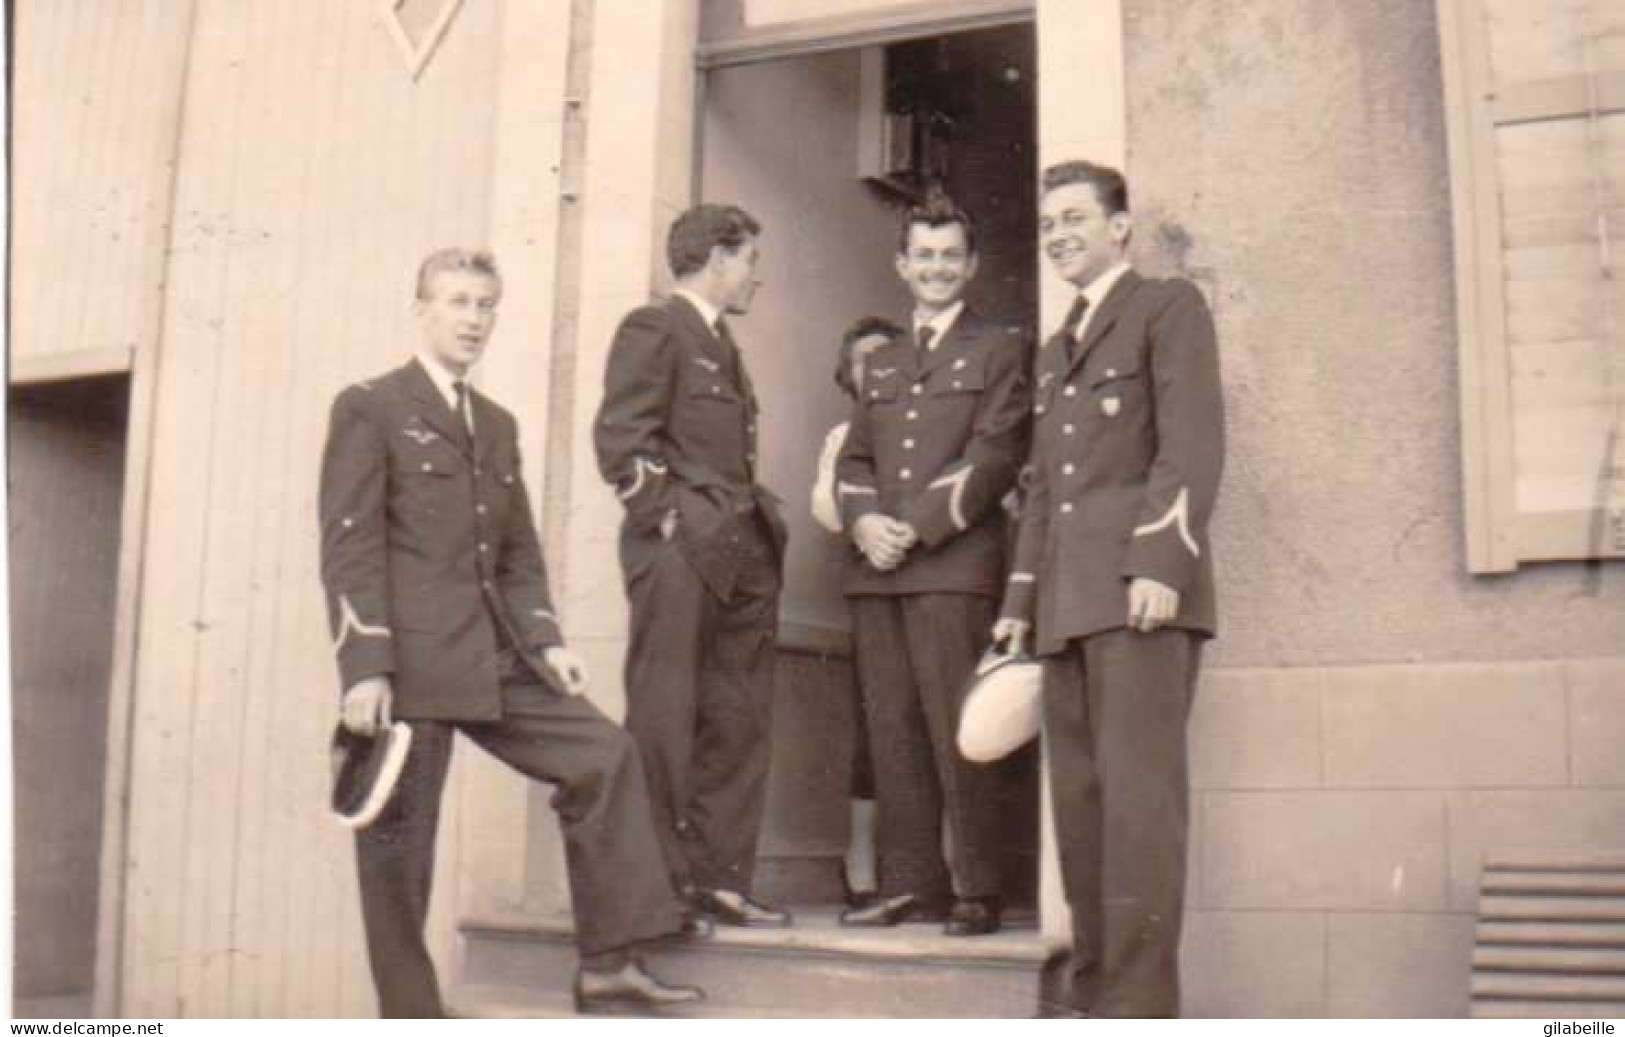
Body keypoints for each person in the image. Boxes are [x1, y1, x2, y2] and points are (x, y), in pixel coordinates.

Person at [317, 248, 705, 1018]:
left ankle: (606, 965)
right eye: (457, 302)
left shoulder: (494, 424)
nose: (472, 319)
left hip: (497, 654)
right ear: (420, 309)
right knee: (398, 862)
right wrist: (365, 665)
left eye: (485, 304)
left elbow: (519, 548)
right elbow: (349, 544)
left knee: (603, 754)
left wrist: (549, 639)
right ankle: (411, 1016)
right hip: (410, 667)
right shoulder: (371, 405)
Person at [993, 160, 1226, 1017]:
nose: (1058, 234)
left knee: (1137, 820)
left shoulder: (1166, 308)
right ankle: (1092, 1000)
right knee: (1083, 818)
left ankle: (1137, 1011)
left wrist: (1161, 566)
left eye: (1075, 218)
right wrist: (1019, 609)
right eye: (1047, 222)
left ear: (1120, 225)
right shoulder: (1056, 349)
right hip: (1065, 609)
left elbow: (1192, 444)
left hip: (1138, 601)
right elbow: (1045, 492)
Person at [834, 196, 1031, 936]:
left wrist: (911, 528)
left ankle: (977, 885)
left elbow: (995, 451)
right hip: (876, 570)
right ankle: (909, 882)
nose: (937, 268)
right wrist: (863, 521)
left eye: (950, 256)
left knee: (961, 728)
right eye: (924, 255)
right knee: (892, 730)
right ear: (901, 265)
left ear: (970, 265)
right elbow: (855, 456)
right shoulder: (880, 361)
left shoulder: (1001, 346)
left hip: (951, 567)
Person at [594, 204, 791, 929]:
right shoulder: (655, 328)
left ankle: (719, 879)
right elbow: (621, 441)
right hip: (683, 553)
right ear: (715, 258)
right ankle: (656, 891)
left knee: (736, 717)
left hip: (739, 553)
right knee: (665, 715)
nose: (756, 277)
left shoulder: (720, 343)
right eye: (749, 260)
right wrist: (670, 519)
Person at [810, 315, 903, 907]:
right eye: (862, 359)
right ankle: (861, 865)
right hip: (872, 587)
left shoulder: (930, 423)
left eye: (885, 357)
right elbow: (825, 508)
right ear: (847, 374)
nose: (874, 368)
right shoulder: (843, 436)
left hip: (930, 583)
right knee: (876, 727)